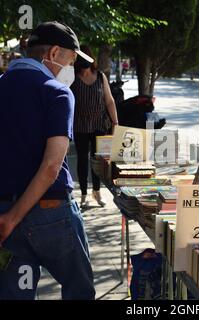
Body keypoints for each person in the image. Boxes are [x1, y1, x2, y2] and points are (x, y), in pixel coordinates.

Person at [0, 21, 96, 300]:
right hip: (52, 212)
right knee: (79, 291)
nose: (71, 68)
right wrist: (12, 219)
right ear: (53, 53)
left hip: (1, 215)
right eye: (71, 60)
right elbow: (52, 166)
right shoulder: (57, 92)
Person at [71, 45, 118, 209]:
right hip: (80, 125)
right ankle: (84, 194)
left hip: (99, 124)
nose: (83, 68)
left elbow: (109, 100)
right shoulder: (72, 77)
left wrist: (115, 123)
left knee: (98, 160)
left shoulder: (100, 77)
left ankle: (97, 192)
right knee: (82, 159)